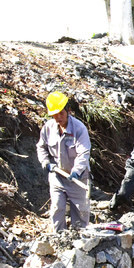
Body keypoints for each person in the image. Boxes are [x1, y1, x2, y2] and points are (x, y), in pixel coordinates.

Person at [35, 91, 91, 232]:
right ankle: (59, 239)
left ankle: (81, 243)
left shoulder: (79, 129)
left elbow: (83, 154)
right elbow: (41, 147)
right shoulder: (48, 128)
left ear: (68, 110)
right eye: (55, 114)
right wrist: (46, 162)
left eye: (61, 113)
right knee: (57, 208)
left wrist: (76, 171)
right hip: (57, 177)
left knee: (80, 213)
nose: (58, 117)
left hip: (77, 178)